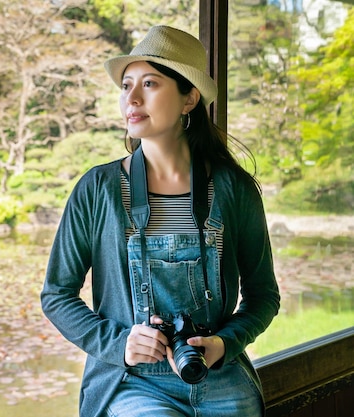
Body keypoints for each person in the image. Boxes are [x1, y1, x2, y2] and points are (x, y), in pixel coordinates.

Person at [40, 25, 280, 417]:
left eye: (149, 84)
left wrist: (223, 345)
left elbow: (263, 296)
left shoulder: (234, 189)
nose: (131, 98)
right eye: (126, 86)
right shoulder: (97, 189)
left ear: (189, 97)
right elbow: (57, 295)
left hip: (217, 377)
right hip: (130, 380)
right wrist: (120, 345)